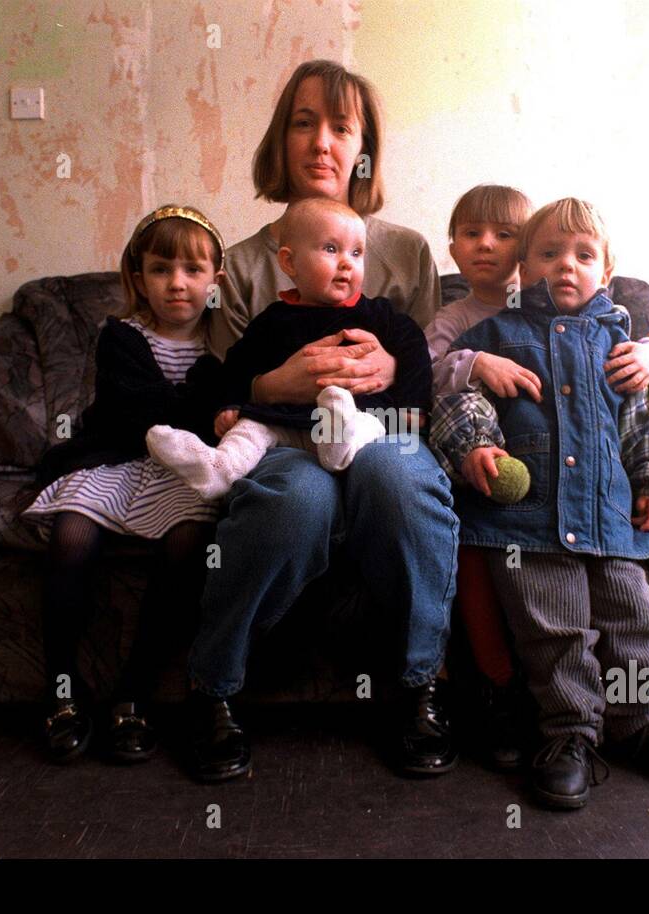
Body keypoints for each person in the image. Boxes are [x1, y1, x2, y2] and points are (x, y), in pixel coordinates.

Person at [181, 60, 460, 783]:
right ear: (281, 138)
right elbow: (214, 387)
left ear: (364, 148)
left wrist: (393, 371)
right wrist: (275, 381)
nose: (321, 143)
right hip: (279, 439)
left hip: (382, 433)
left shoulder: (405, 253)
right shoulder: (238, 266)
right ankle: (216, 690)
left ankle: (418, 687)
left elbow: (424, 368)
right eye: (303, 122)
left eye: (342, 127)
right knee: (297, 497)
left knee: (395, 478)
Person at [430, 197, 649, 810]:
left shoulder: (624, 345)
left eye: (584, 256)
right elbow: (460, 401)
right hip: (528, 525)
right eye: (549, 254)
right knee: (554, 632)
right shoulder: (494, 335)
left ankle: (638, 723)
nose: (566, 266)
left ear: (605, 273)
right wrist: (476, 444)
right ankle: (569, 736)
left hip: (611, 519)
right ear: (524, 267)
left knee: (633, 621)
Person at [21, 205, 227, 765]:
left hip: (180, 473)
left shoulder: (224, 350)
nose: (177, 284)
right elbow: (141, 411)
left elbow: (211, 418)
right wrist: (196, 411)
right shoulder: (121, 337)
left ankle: (132, 695)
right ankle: (61, 689)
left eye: (192, 270)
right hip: (116, 457)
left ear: (217, 281)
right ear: (138, 277)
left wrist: (201, 413)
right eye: (161, 269)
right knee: (71, 535)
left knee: (191, 542)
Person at [146, 198, 430, 498]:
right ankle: (219, 468)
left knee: (370, 423)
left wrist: (414, 408)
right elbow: (239, 364)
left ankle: (340, 444)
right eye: (331, 249)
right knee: (250, 429)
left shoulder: (380, 315)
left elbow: (415, 351)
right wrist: (231, 404)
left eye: (357, 252)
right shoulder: (272, 320)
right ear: (289, 262)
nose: (347, 262)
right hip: (285, 422)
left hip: (358, 412)